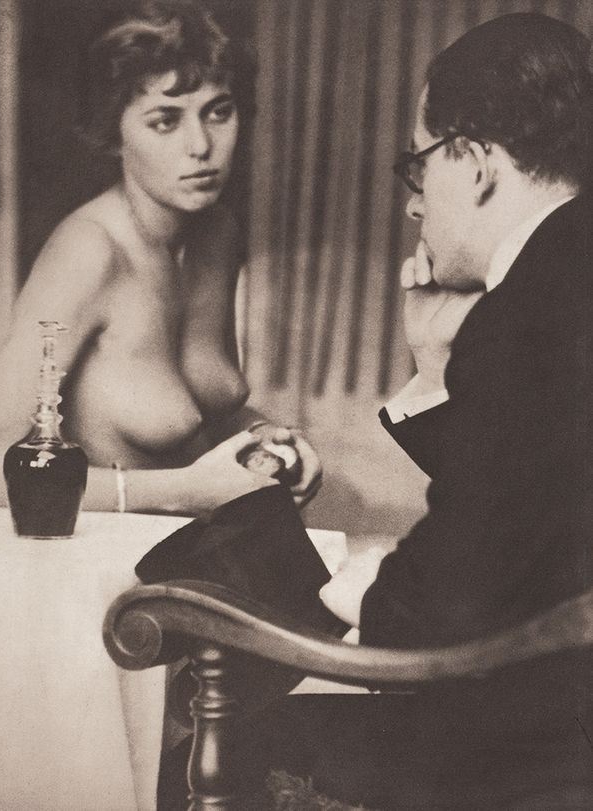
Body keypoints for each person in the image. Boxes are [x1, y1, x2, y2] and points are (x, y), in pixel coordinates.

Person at [161, 12, 592, 810]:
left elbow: (440, 609)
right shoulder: (565, 268)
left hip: (540, 742)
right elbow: (527, 507)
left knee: (218, 746)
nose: (414, 206)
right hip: (560, 701)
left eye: (418, 167)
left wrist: (353, 591)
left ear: (476, 163)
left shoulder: (524, 311)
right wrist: (437, 364)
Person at [0, 0, 321, 516]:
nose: (201, 146)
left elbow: (201, 415)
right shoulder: (89, 251)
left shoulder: (217, 234)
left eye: (219, 112)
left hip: (196, 546)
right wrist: (186, 492)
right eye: (165, 121)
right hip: (98, 558)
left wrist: (265, 435)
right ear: (114, 133)